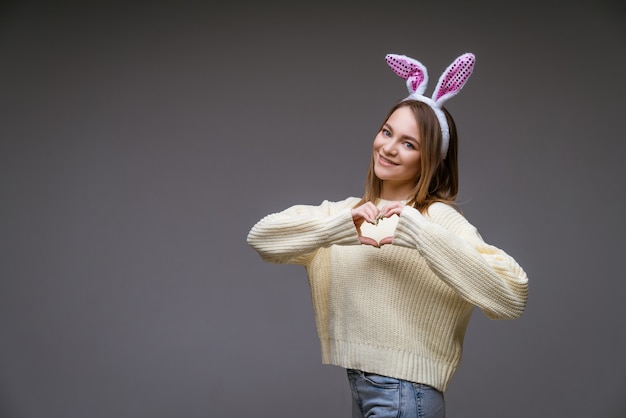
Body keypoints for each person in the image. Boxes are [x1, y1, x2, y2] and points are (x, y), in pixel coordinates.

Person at [246, 52, 528, 418]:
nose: (389, 148)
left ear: (430, 159)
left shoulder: (434, 218)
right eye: (387, 132)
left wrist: (422, 235)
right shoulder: (347, 213)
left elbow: (512, 295)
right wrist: (338, 228)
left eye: (409, 144)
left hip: (405, 395)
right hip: (364, 390)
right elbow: (262, 238)